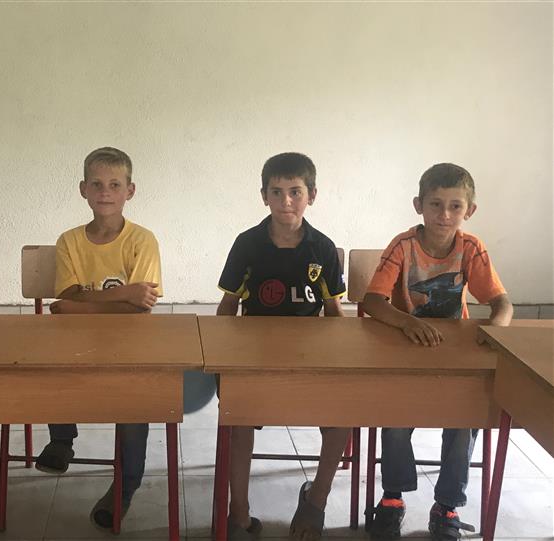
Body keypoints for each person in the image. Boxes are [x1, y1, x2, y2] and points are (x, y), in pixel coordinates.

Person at [362, 162, 513, 541]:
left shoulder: (471, 247)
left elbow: (502, 305)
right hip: (404, 350)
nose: (444, 215)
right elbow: (372, 302)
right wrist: (408, 322)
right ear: (418, 205)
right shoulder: (404, 246)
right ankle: (392, 498)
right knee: (395, 422)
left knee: (466, 422)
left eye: (455, 206)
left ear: (469, 211)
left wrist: (495, 330)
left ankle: (447, 505)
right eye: (435, 205)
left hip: (453, 355)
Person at [217, 152, 351, 540]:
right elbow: (228, 307)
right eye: (277, 192)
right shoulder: (247, 244)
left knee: (344, 413)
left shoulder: (322, 249)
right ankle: (238, 510)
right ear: (264, 196)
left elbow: (333, 311)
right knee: (238, 418)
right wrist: (219, 362)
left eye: (295, 192)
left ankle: (316, 501)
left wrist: (341, 363)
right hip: (254, 358)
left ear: (312, 195)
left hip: (310, 358)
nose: (286, 202)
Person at [40, 147, 162, 530]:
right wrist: (122, 293)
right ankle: (62, 438)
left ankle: (125, 487)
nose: (105, 192)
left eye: (114, 184)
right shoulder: (69, 241)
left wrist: (80, 304)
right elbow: (69, 300)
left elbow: (137, 308)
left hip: (131, 345)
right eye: (96, 184)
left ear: (130, 190)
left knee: (134, 402)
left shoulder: (142, 240)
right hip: (74, 343)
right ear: (83, 189)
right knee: (48, 368)